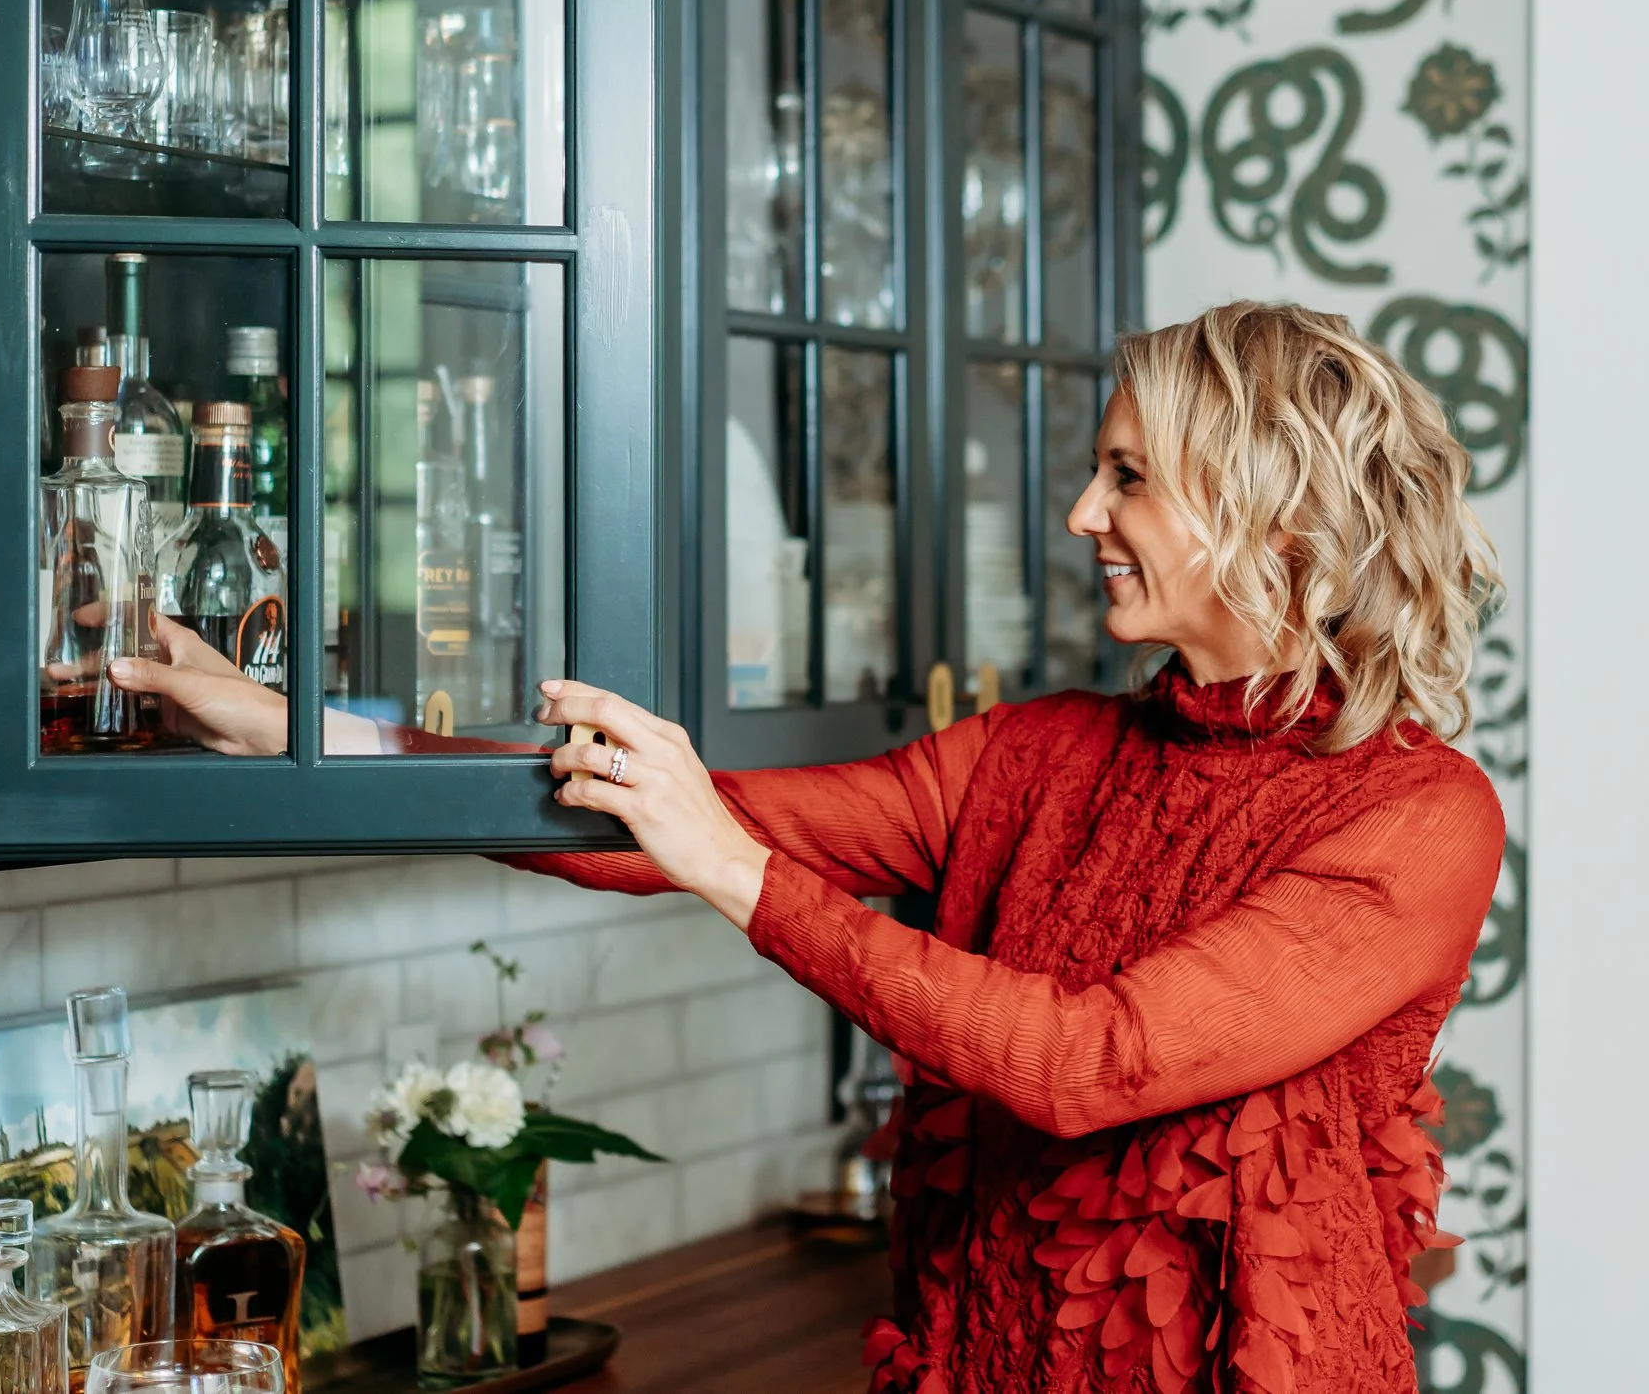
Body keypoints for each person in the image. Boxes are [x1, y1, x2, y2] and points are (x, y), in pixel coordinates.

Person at [115, 301, 1506, 1394]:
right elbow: (664, 819)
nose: (1084, 513)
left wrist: (733, 867)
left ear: (1267, 513)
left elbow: (1093, 1062)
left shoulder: (1414, 816)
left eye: (1128, 476)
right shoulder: (1036, 753)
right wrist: (292, 730)